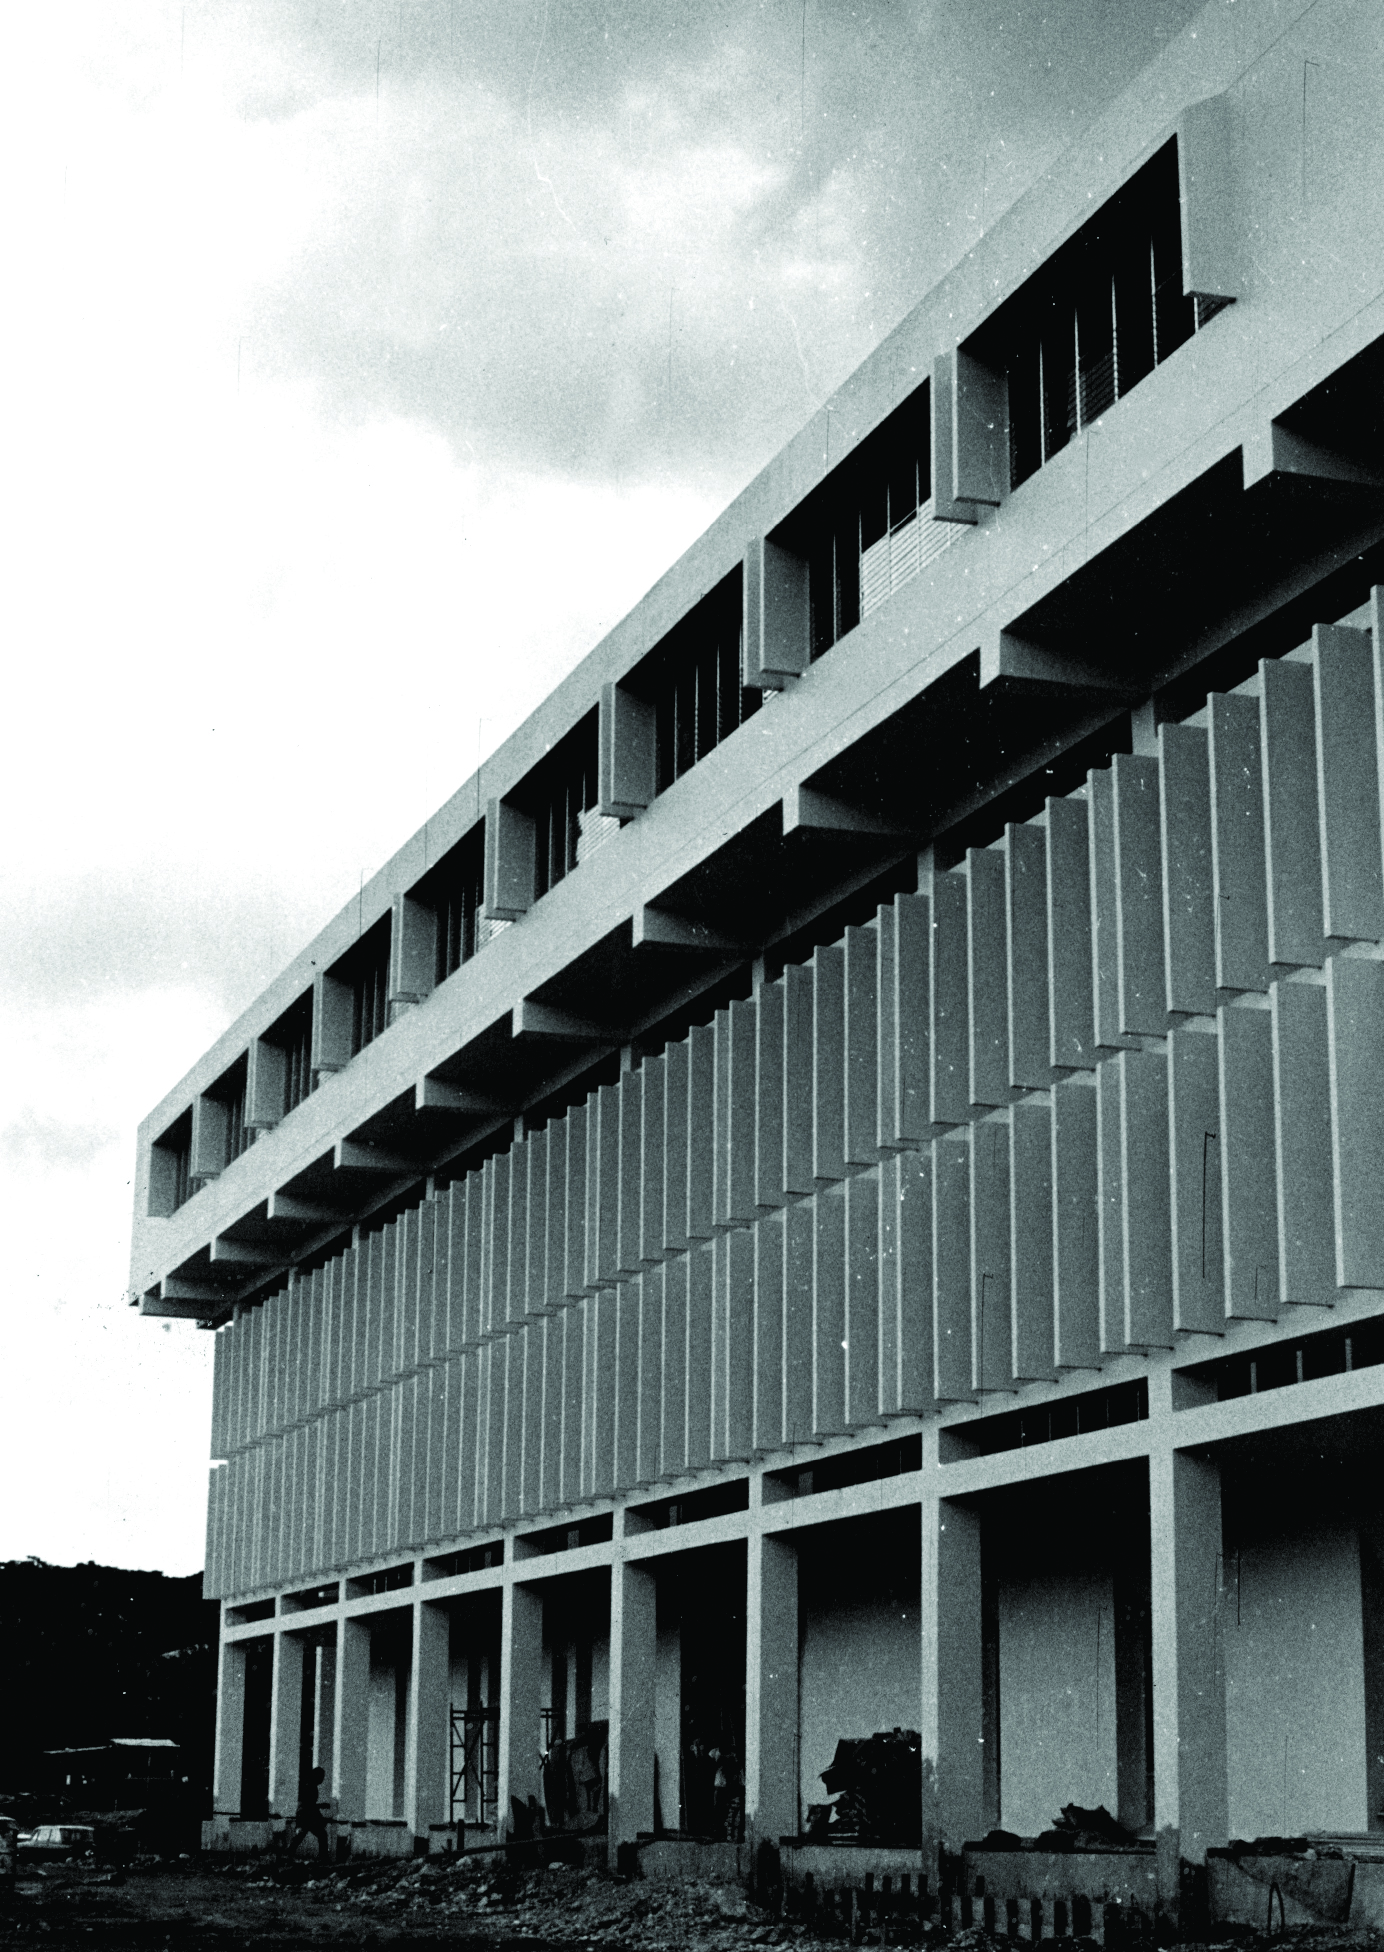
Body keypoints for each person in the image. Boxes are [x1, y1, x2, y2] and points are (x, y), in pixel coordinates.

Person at [286, 1765, 329, 1862]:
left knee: (302, 1837)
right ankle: (323, 1857)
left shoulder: (310, 1785)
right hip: (305, 1816)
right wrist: (320, 1815)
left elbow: (310, 1805)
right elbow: (308, 1805)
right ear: (316, 1776)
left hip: (306, 1815)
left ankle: (288, 1854)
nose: (322, 1779)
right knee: (318, 1835)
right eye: (321, 1776)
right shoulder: (310, 1786)